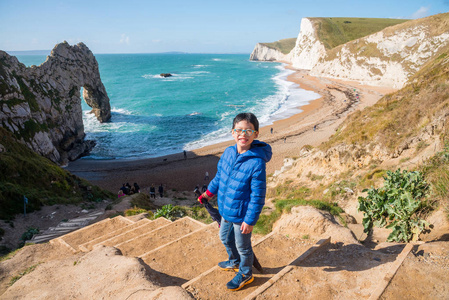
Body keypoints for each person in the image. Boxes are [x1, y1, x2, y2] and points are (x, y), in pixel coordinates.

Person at [198, 112, 272, 291]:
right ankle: (234, 261)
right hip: (225, 209)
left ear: (256, 134)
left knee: (243, 246)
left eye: (248, 130)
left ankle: (246, 273)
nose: (243, 134)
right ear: (232, 133)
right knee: (224, 237)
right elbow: (219, 177)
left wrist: (250, 220)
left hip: (242, 215)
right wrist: (208, 193)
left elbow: (257, 196)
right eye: (239, 130)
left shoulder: (256, 163)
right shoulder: (228, 152)